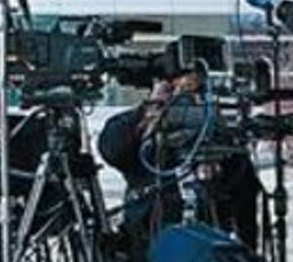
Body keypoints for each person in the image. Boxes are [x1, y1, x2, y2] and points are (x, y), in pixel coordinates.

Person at [98, 72, 260, 261]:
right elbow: (111, 148)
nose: (184, 101)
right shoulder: (146, 132)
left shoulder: (219, 136)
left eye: (192, 91)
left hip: (210, 244)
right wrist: (147, 113)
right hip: (150, 241)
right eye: (177, 90)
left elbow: (245, 205)